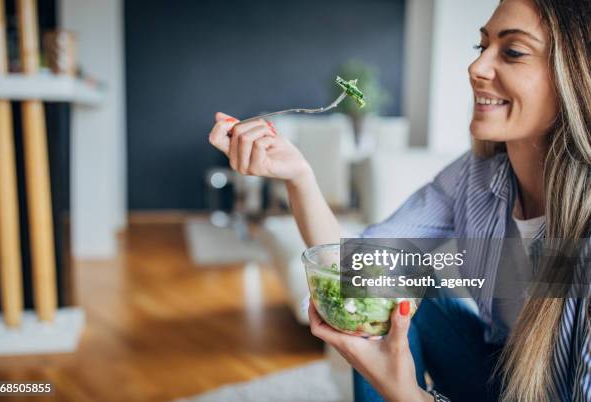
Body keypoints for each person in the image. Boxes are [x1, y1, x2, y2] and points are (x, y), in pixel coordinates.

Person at [208, 0, 590, 400]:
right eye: (482, 47)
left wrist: (405, 394)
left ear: (575, 76)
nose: (476, 68)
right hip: (498, 371)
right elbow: (359, 264)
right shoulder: (477, 175)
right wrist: (299, 175)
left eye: (512, 52)